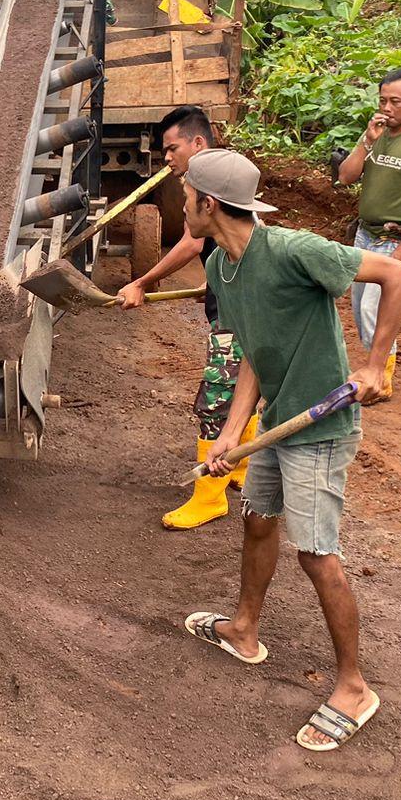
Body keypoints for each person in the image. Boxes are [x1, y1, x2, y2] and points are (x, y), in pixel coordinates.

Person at [179, 149, 401, 751]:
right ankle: (244, 629)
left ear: (209, 204)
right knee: (258, 521)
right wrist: (233, 431)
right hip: (278, 422)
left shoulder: (292, 250)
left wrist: (374, 364)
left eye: (186, 195)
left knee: (316, 554)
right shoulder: (223, 267)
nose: (183, 205)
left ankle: (354, 688)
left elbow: (397, 275)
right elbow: (257, 352)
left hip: (321, 430)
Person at [119, 108, 261, 528]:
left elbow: (190, 244)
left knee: (216, 397)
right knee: (240, 388)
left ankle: (209, 496)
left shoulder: (208, 187)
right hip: (237, 298)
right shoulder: (228, 177)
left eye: (172, 148)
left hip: (238, 311)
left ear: (198, 143)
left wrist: (142, 282)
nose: (167, 157)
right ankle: (241, 467)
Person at [334, 70, 401, 397]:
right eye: (383, 100)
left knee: (374, 309)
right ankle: (378, 369)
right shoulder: (376, 135)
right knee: (359, 309)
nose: (386, 107)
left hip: (395, 239)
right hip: (365, 235)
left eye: (395, 101)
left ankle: (381, 378)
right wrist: (367, 141)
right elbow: (345, 176)